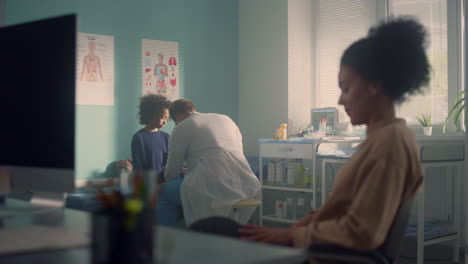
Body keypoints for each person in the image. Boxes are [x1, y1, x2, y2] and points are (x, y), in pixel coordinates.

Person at [192, 17, 428, 253]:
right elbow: (348, 211)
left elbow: (362, 233)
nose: (340, 100)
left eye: (346, 88)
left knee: (210, 234)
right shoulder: (385, 138)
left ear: (374, 85)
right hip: (321, 246)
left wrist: (290, 235)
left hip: (329, 257)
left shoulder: (389, 144)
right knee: (214, 228)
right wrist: (307, 222)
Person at [164, 99, 261, 226]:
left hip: (209, 184)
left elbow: (172, 170)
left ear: (177, 116)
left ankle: (165, 240)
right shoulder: (226, 119)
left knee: (161, 194)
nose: (176, 124)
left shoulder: (182, 127)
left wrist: (171, 178)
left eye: (174, 121)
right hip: (245, 184)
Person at [131, 94, 184, 226]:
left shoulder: (167, 137)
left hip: (166, 183)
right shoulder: (139, 138)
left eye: (167, 118)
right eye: (162, 117)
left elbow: (171, 163)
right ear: (151, 114)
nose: (165, 122)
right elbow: (139, 169)